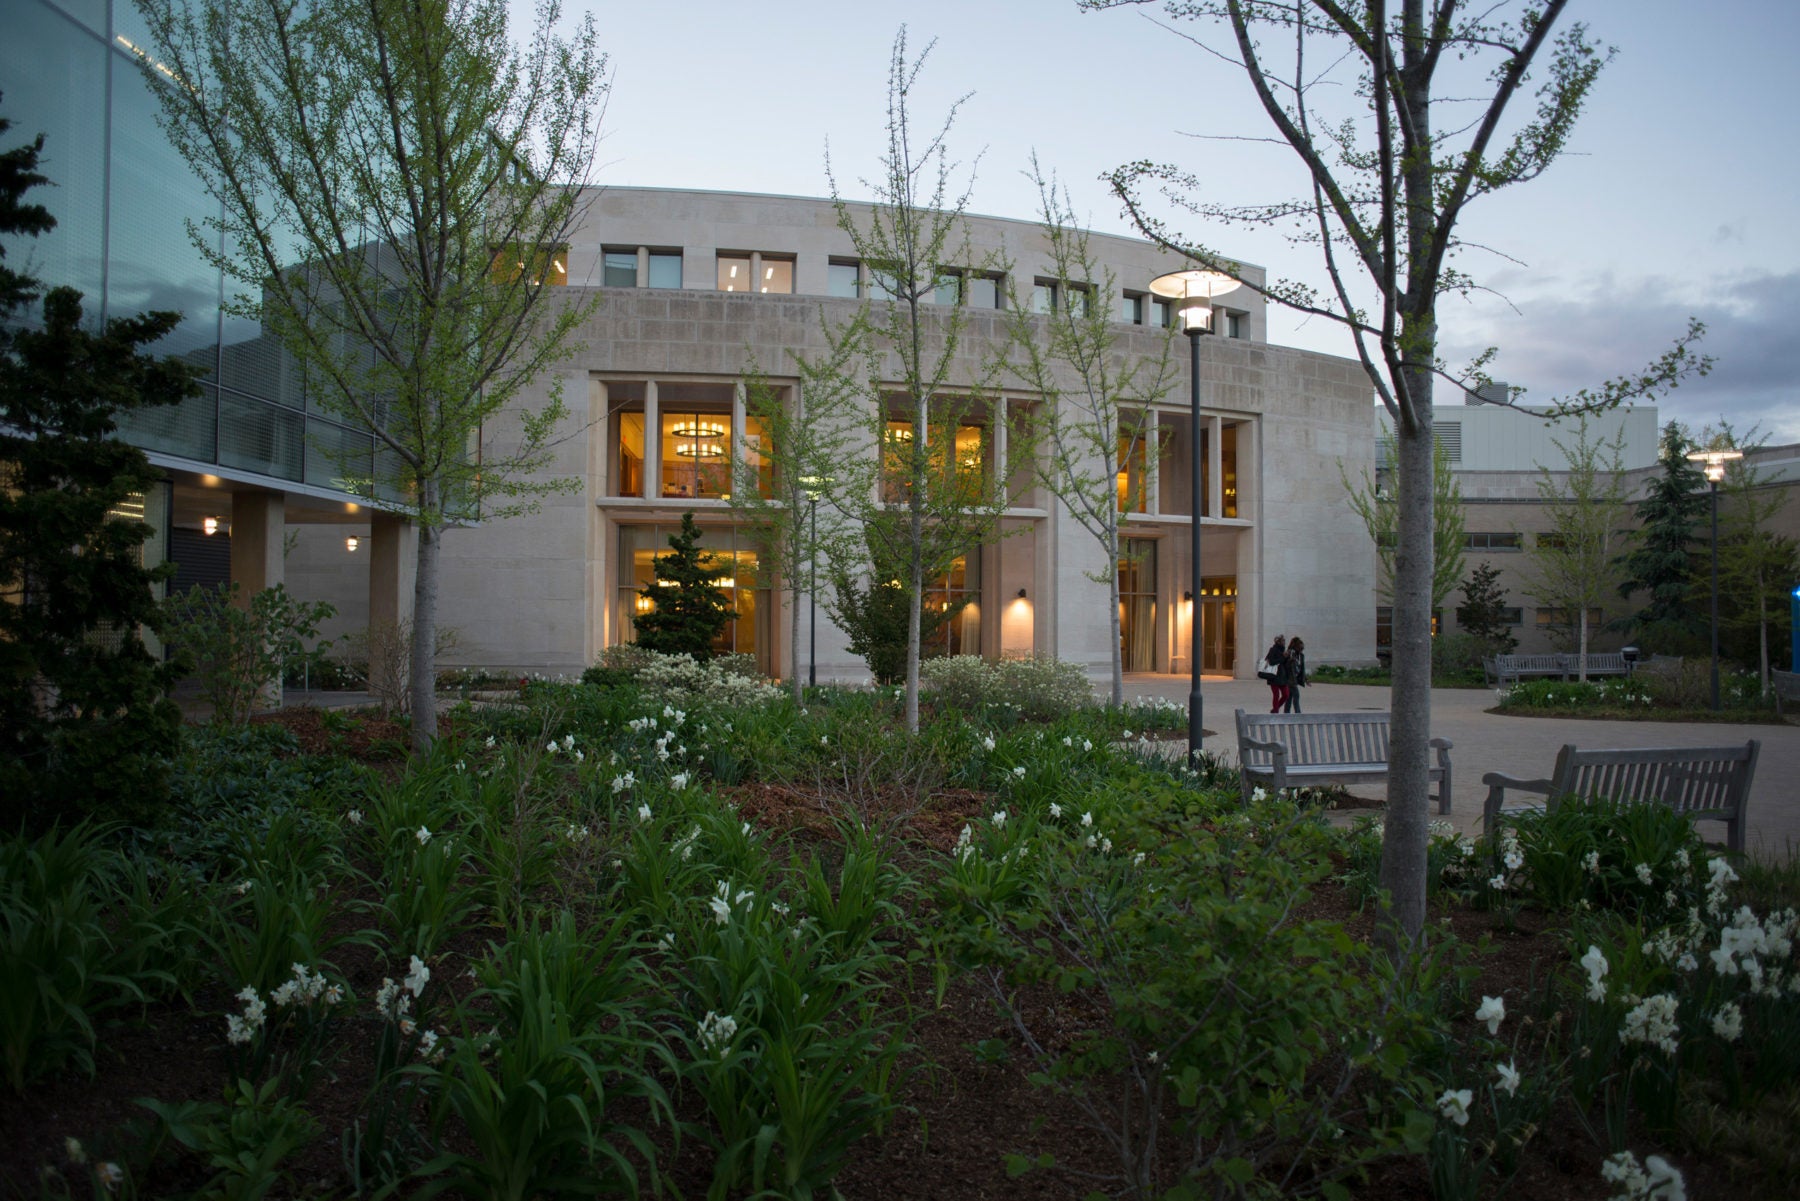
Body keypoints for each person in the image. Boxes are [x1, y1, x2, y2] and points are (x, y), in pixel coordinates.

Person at [1260, 634, 1289, 714]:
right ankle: (1275, 711)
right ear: (1278, 642)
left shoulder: (1283, 650)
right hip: (1274, 676)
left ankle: (1274, 709)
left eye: (1284, 641)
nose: (1284, 642)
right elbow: (1272, 662)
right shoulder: (1273, 650)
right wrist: (1283, 657)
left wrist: (1287, 658)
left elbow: (1284, 663)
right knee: (1276, 695)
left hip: (1282, 676)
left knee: (1286, 695)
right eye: (1282, 641)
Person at [1282, 636, 1307, 712]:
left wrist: (1306, 679)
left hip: (1295, 679)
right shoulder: (1289, 653)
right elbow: (1284, 666)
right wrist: (1290, 661)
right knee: (1296, 696)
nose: (1301, 650)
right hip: (1289, 680)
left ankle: (1286, 714)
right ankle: (1298, 714)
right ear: (1295, 647)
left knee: (1289, 698)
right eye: (1300, 648)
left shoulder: (1301, 656)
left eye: (1302, 648)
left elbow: (1301, 669)